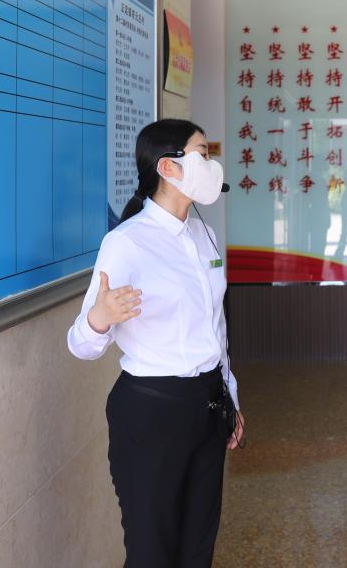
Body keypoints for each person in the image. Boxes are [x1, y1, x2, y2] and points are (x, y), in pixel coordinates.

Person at [67, 118, 245, 568]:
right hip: (152, 412)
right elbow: (81, 345)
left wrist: (230, 396)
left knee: (197, 548)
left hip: (208, 404)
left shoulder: (204, 235)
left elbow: (215, 326)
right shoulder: (126, 242)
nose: (212, 164)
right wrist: (101, 318)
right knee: (153, 552)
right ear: (168, 167)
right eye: (202, 154)